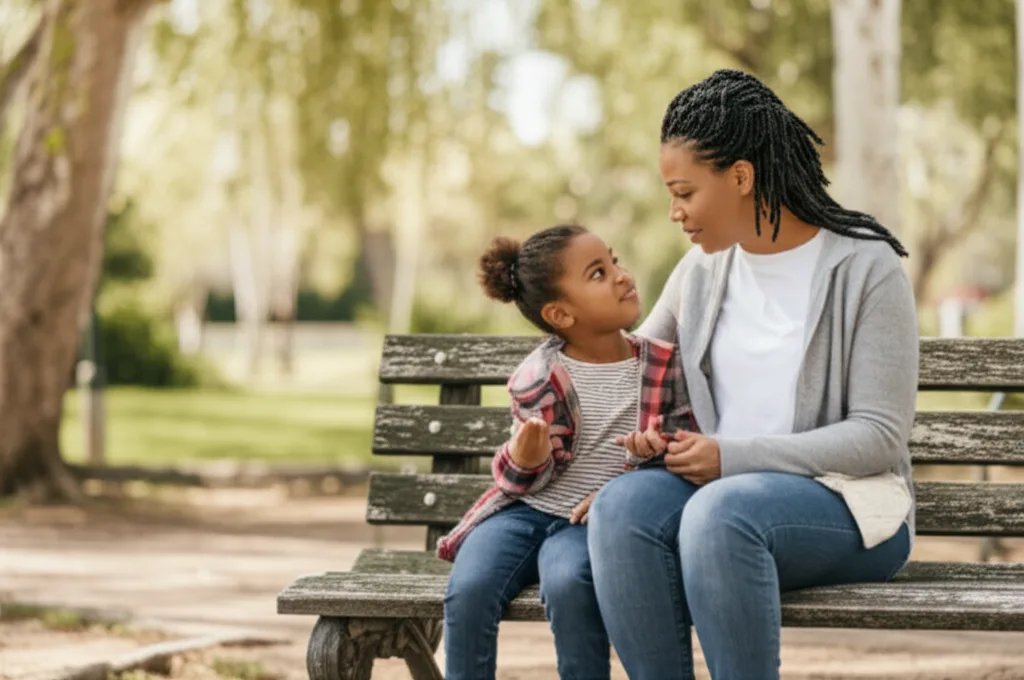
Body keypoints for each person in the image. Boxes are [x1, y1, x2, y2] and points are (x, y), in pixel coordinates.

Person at [587, 69, 918, 680]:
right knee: (622, 510)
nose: (674, 212)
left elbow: (878, 438)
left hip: (850, 505)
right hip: (719, 494)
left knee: (722, 513)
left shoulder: (866, 268)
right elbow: (631, 372)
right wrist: (636, 439)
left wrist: (732, 457)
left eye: (685, 192)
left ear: (741, 177)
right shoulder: (702, 273)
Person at [438, 224, 696, 680]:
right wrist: (527, 457)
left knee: (569, 584)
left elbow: (682, 446)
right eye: (598, 273)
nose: (620, 275)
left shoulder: (660, 364)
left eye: (614, 261)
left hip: (589, 523)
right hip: (523, 511)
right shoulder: (539, 377)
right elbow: (516, 483)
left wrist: (651, 454)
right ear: (560, 314)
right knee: (471, 587)